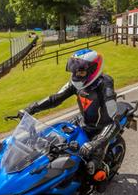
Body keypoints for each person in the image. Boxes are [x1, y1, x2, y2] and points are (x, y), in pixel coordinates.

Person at [22, 48, 120, 181]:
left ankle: (103, 173)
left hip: (103, 127)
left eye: (80, 70)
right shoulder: (76, 84)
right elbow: (55, 99)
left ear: (94, 70)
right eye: (74, 70)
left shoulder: (105, 83)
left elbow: (113, 116)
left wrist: (97, 142)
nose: (76, 74)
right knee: (54, 142)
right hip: (83, 121)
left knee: (92, 168)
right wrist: (31, 108)